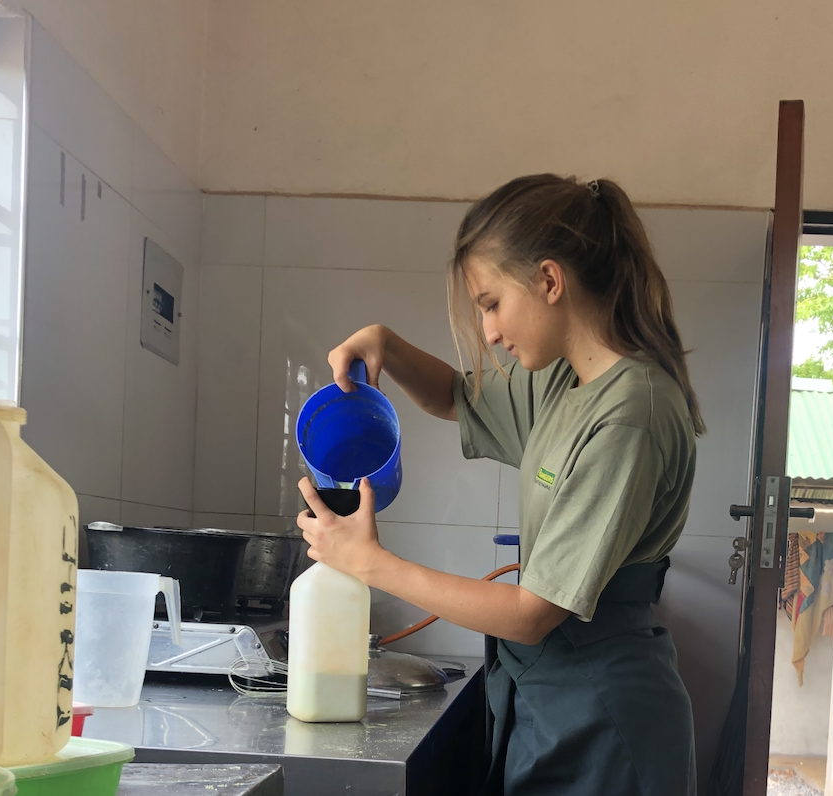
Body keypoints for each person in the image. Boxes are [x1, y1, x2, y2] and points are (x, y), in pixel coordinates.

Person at [296, 174, 702, 795]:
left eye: (490, 303)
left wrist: (369, 563)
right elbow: (455, 396)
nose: (487, 331)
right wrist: (386, 344)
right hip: (555, 700)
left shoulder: (630, 415)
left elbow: (532, 612)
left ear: (548, 280)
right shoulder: (565, 381)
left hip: (605, 720)